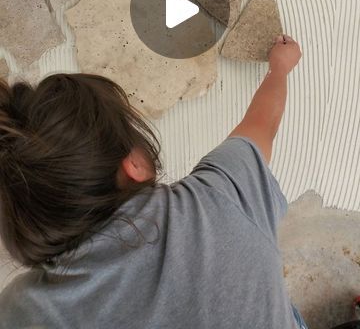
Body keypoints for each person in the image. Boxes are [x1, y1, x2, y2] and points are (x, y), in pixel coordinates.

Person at [0, 34, 305, 329]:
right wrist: (280, 67)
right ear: (133, 164)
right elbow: (263, 123)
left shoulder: (24, 309)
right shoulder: (223, 195)